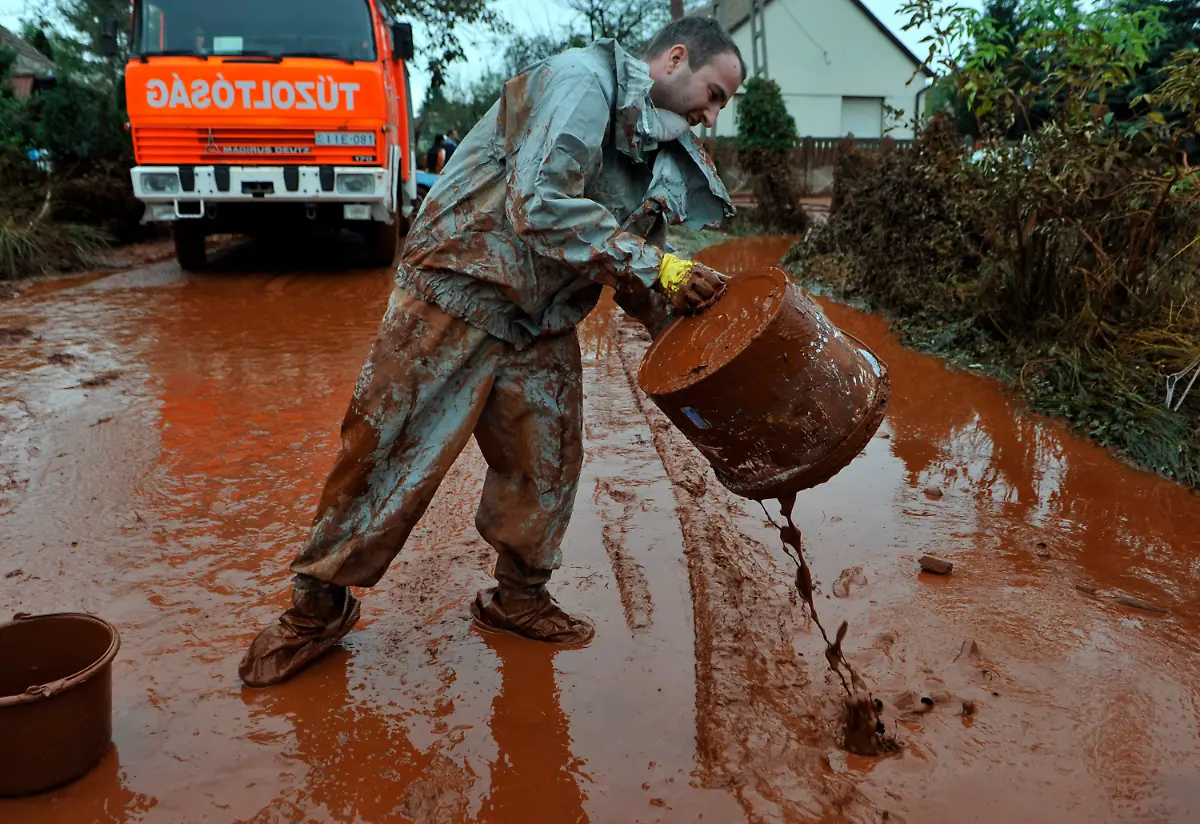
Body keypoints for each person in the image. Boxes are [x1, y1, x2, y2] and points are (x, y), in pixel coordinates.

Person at [239, 16, 746, 687]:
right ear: (676, 59)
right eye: (714, 94)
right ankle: (315, 609)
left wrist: (700, 336)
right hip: (457, 291)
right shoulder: (581, 82)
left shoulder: (655, 148)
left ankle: (519, 598)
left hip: (539, 322)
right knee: (385, 449)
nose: (712, 115)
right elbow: (539, 205)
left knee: (548, 460)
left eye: (721, 105)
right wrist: (661, 269)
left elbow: (637, 269)